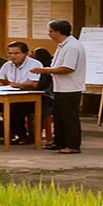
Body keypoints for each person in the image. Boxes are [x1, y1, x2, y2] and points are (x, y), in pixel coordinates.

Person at [32, 19, 86, 154]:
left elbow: (67, 68)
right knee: (58, 117)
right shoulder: (63, 45)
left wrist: (45, 70)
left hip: (70, 88)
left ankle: (73, 145)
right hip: (60, 87)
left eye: (50, 31)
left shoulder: (72, 46)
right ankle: (59, 142)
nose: (49, 34)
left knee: (69, 118)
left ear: (58, 31)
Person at [0, 42, 43, 144]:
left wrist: (20, 85)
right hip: (7, 94)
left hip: (29, 97)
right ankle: (1, 133)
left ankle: (22, 136)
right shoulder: (7, 65)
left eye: (16, 53)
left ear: (25, 53)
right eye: (10, 53)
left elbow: (34, 83)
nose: (12, 56)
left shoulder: (35, 64)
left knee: (15, 109)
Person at [30, 48, 56, 146]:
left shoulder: (45, 70)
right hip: (38, 95)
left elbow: (41, 86)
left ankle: (35, 134)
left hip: (47, 98)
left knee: (38, 109)